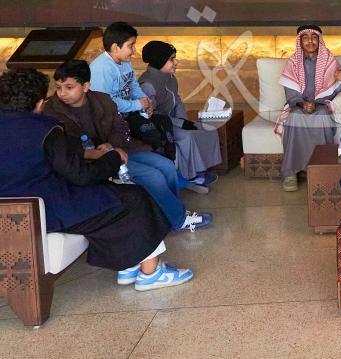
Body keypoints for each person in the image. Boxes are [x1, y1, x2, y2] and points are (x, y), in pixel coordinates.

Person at [0, 68, 194, 291]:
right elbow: (81, 175)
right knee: (133, 197)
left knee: (110, 196)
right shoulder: (45, 129)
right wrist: (112, 159)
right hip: (44, 211)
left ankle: (129, 264)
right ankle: (151, 273)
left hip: (13, 210)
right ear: (38, 102)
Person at [44, 60, 211, 233]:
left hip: (117, 150)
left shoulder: (102, 100)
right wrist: (93, 153)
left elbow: (120, 127)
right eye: (58, 87)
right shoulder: (51, 111)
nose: (62, 93)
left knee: (166, 165)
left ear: (86, 86)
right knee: (153, 176)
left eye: (69, 87)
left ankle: (168, 216)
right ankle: (178, 219)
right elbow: (60, 149)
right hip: (89, 162)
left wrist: (111, 145)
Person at [138, 41, 222, 183]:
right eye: (172, 59)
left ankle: (204, 168)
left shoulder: (170, 78)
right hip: (158, 126)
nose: (176, 63)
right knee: (187, 137)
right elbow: (151, 115)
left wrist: (184, 120)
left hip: (173, 122)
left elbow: (177, 101)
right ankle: (191, 176)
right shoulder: (147, 84)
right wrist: (180, 124)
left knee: (209, 129)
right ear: (160, 61)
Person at [89, 22, 174, 160]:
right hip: (113, 119)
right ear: (115, 47)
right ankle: (159, 161)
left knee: (164, 121)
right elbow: (107, 103)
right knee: (150, 132)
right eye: (130, 45)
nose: (134, 50)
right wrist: (137, 105)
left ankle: (169, 161)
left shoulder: (125, 61)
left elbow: (133, 85)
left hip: (128, 112)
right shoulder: (102, 69)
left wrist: (146, 102)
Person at [275, 25, 341, 192]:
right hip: (298, 105)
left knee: (321, 116)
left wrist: (317, 103)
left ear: (319, 40)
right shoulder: (293, 62)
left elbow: (335, 90)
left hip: (322, 105)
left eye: (314, 37)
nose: (310, 41)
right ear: (300, 41)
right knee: (294, 117)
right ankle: (290, 173)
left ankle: (324, 170)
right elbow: (290, 94)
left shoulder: (329, 61)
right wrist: (302, 104)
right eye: (306, 38)